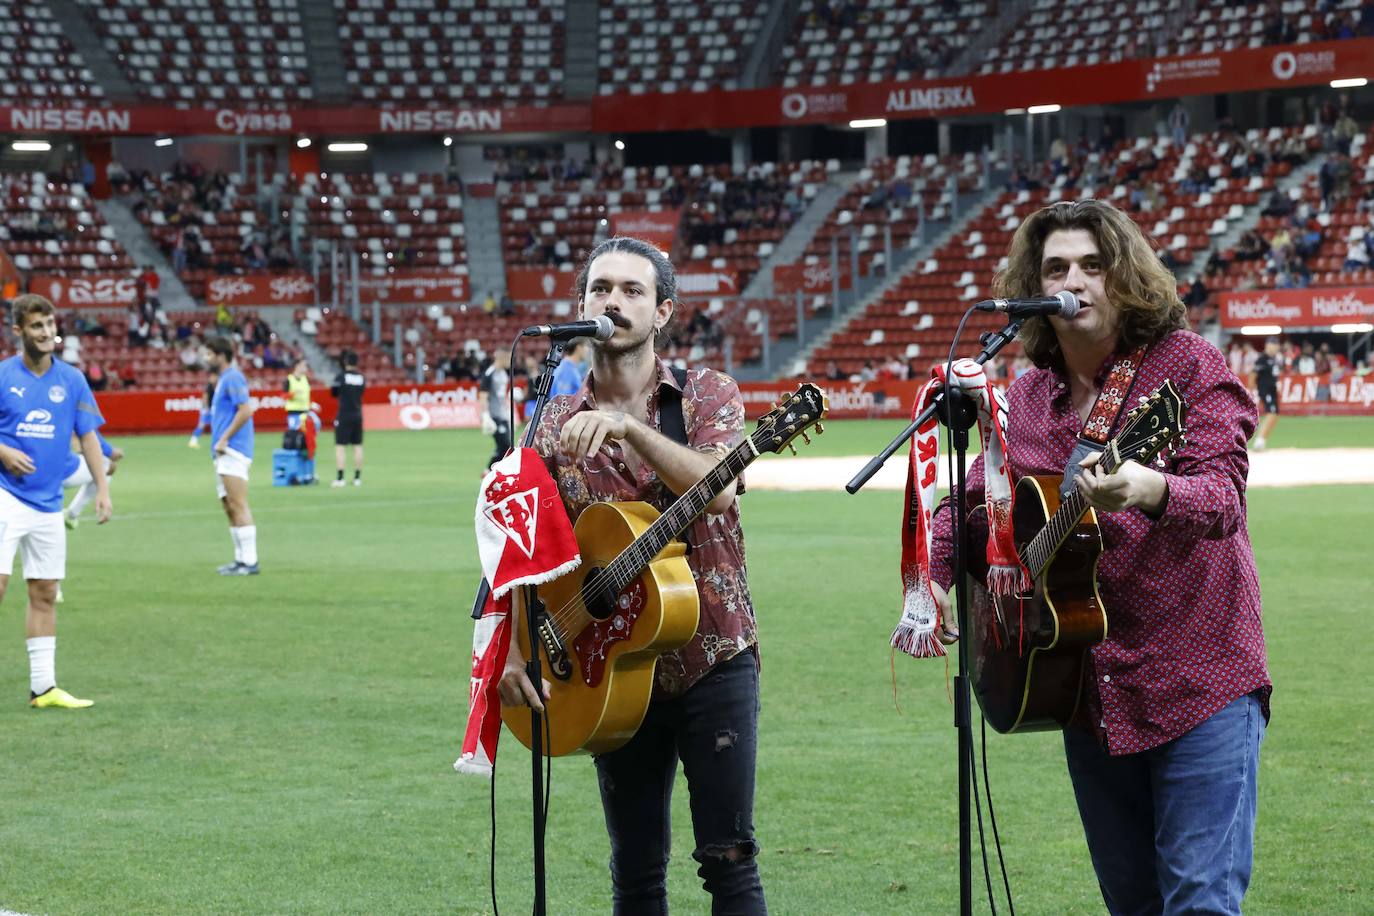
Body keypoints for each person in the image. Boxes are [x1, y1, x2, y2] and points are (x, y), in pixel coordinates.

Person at [930, 199, 1270, 914]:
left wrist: (1150, 488)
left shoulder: (1186, 366)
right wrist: (937, 581)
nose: (1074, 279)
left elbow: (1222, 497)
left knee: (1201, 900)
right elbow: (968, 509)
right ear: (1034, 287)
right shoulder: (1026, 399)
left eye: (1093, 264)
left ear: (1124, 278)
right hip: (1086, 690)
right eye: (1056, 268)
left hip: (1199, 680)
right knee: (1133, 904)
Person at [497, 237, 767, 913]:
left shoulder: (707, 392)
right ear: (580, 306)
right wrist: (516, 646)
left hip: (713, 657)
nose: (613, 301)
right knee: (637, 871)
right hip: (609, 668)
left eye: (632, 290)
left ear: (664, 311)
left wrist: (629, 430)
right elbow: (524, 556)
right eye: (600, 289)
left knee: (729, 863)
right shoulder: (551, 421)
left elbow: (721, 488)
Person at [0, 294, 112, 708]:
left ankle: (43, 688)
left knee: (45, 591)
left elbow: (88, 436)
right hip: (5, 496)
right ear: (19, 332)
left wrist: (101, 488)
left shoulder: (72, 379)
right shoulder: (2, 376)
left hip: (48, 503)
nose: (46, 333)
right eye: (36, 326)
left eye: (49, 324)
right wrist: (3, 451)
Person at [203, 336, 259, 576]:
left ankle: (250, 561)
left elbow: (245, 409)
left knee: (238, 502)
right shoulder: (223, 380)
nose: (206, 359)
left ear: (221, 354)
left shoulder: (233, 377)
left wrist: (225, 437)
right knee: (228, 505)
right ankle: (240, 559)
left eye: (209, 354)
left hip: (233, 449)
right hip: (223, 452)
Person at [330, 349, 365, 487]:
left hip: (344, 414)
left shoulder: (341, 377)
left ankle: (340, 478)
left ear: (345, 362)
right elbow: (362, 392)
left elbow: (333, 392)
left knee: (340, 447)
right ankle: (357, 478)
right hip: (358, 413)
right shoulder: (361, 377)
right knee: (357, 446)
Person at [477, 350, 512, 470]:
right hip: (494, 415)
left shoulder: (503, 374)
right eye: (508, 358)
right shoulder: (490, 373)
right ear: (501, 357)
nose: (510, 361)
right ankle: (488, 470)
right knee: (505, 446)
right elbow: (483, 395)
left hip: (502, 415)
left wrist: (508, 413)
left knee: (506, 446)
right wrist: (486, 416)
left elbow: (502, 396)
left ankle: (496, 472)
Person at [1251, 337, 1282, 450]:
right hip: (1265, 390)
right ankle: (1259, 441)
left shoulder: (1274, 359)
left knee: (1275, 415)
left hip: (1272, 391)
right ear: (1268, 346)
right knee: (1271, 413)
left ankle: (1262, 440)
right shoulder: (1262, 359)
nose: (1275, 348)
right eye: (1272, 345)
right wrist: (1252, 390)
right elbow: (1253, 375)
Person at [284, 357, 311, 432]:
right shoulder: (289, 379)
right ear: (297, 366)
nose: (306, 368)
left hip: (305, 411)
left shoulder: (306, 379)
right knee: (294, 433)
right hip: (294, 411)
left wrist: (312, 404)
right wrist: (294, 393)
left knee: (306, 435)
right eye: (304, 365)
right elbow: (284, 396)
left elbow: (307, 395)